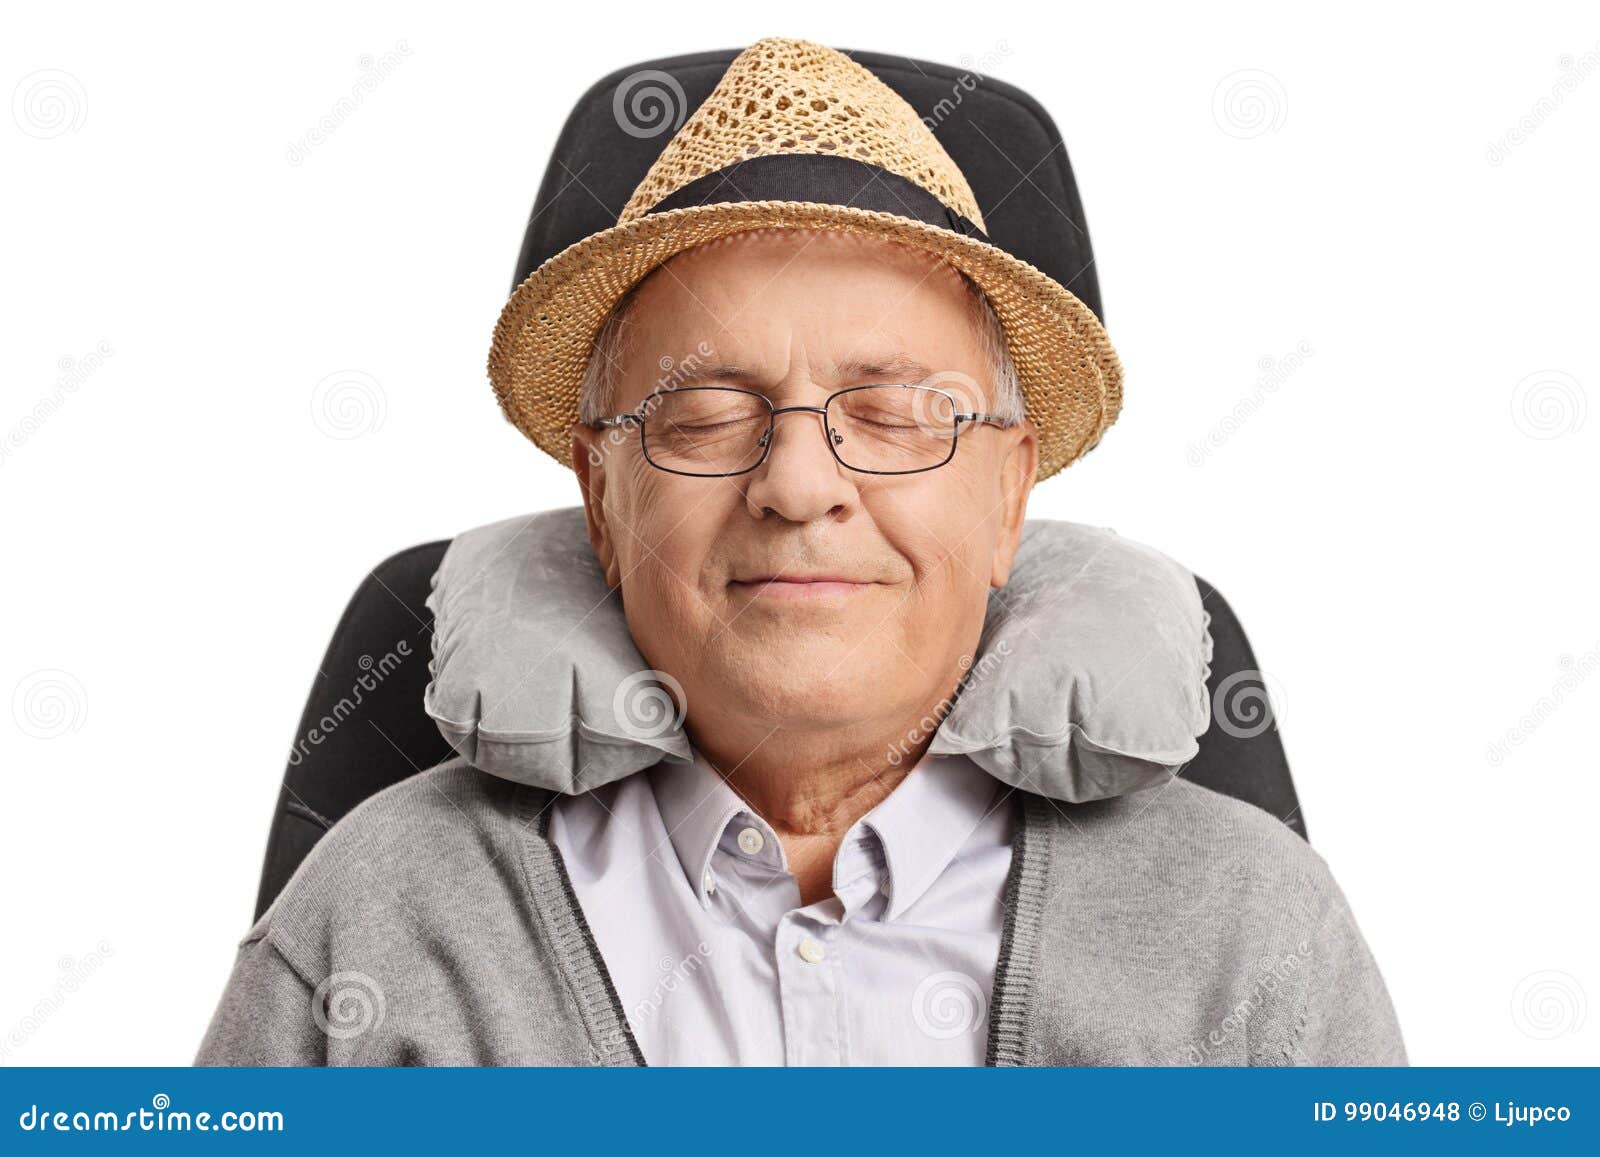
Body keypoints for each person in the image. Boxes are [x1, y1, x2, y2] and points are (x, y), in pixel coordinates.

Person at [196, 37, 1405, 1067]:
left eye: (891, 412)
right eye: (707, 414)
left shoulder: (1254, 932)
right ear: (601, 500)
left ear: (1006, 496)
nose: (798, 484)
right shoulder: (371, 919)